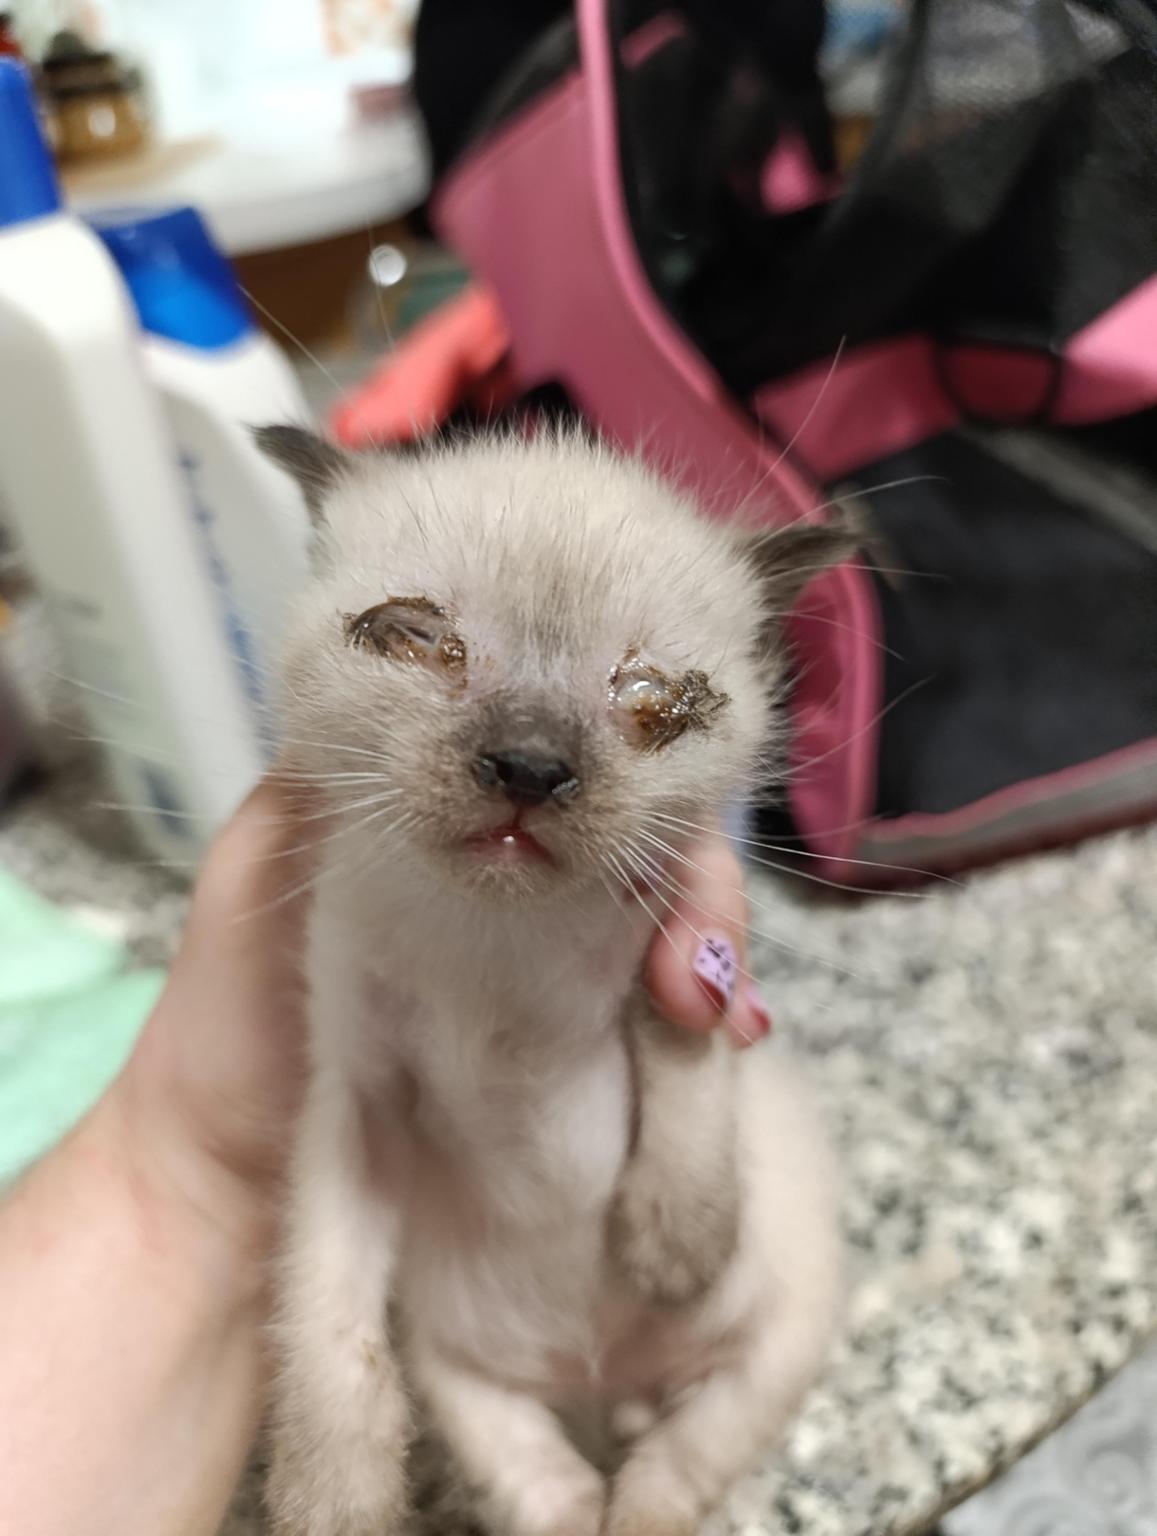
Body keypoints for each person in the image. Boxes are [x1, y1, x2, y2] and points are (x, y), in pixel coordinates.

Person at [0, 776, 765, 1536]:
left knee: (768, 1284)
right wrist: (195, 1157)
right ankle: (560, 1497)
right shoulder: (332, 886)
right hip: (486, 1328)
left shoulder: (640, 871)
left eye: (647, 710)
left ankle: (677, 1471)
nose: (531, 762)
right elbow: (352, 1117)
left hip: (677, 1314)